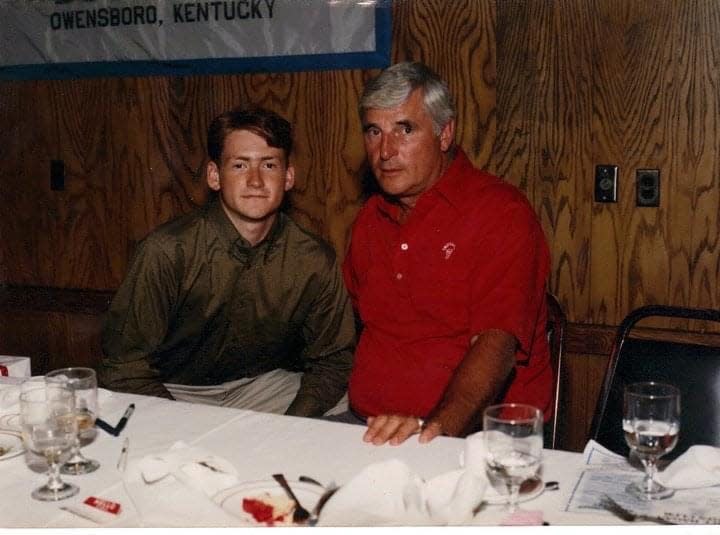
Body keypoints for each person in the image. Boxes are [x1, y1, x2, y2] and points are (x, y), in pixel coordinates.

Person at [342, 62, 552, 444]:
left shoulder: (501, 214)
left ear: (445, 133)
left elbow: (496, 346)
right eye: (374, 131)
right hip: (367, 427)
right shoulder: (369, 220)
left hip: (471, 436)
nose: (385, 151)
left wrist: (434, 430)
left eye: (404, 129)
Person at [99, 107, 356, 417]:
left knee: (342, 401)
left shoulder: (312, 258)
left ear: (288, 177)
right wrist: (186, 426)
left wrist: (290, 426)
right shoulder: (167, 251)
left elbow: (332, 361)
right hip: (174, 390)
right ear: (214, 176)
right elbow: (124, 367)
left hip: (259, 387)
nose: (256, 181)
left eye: (269, 165)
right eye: (239, 165)